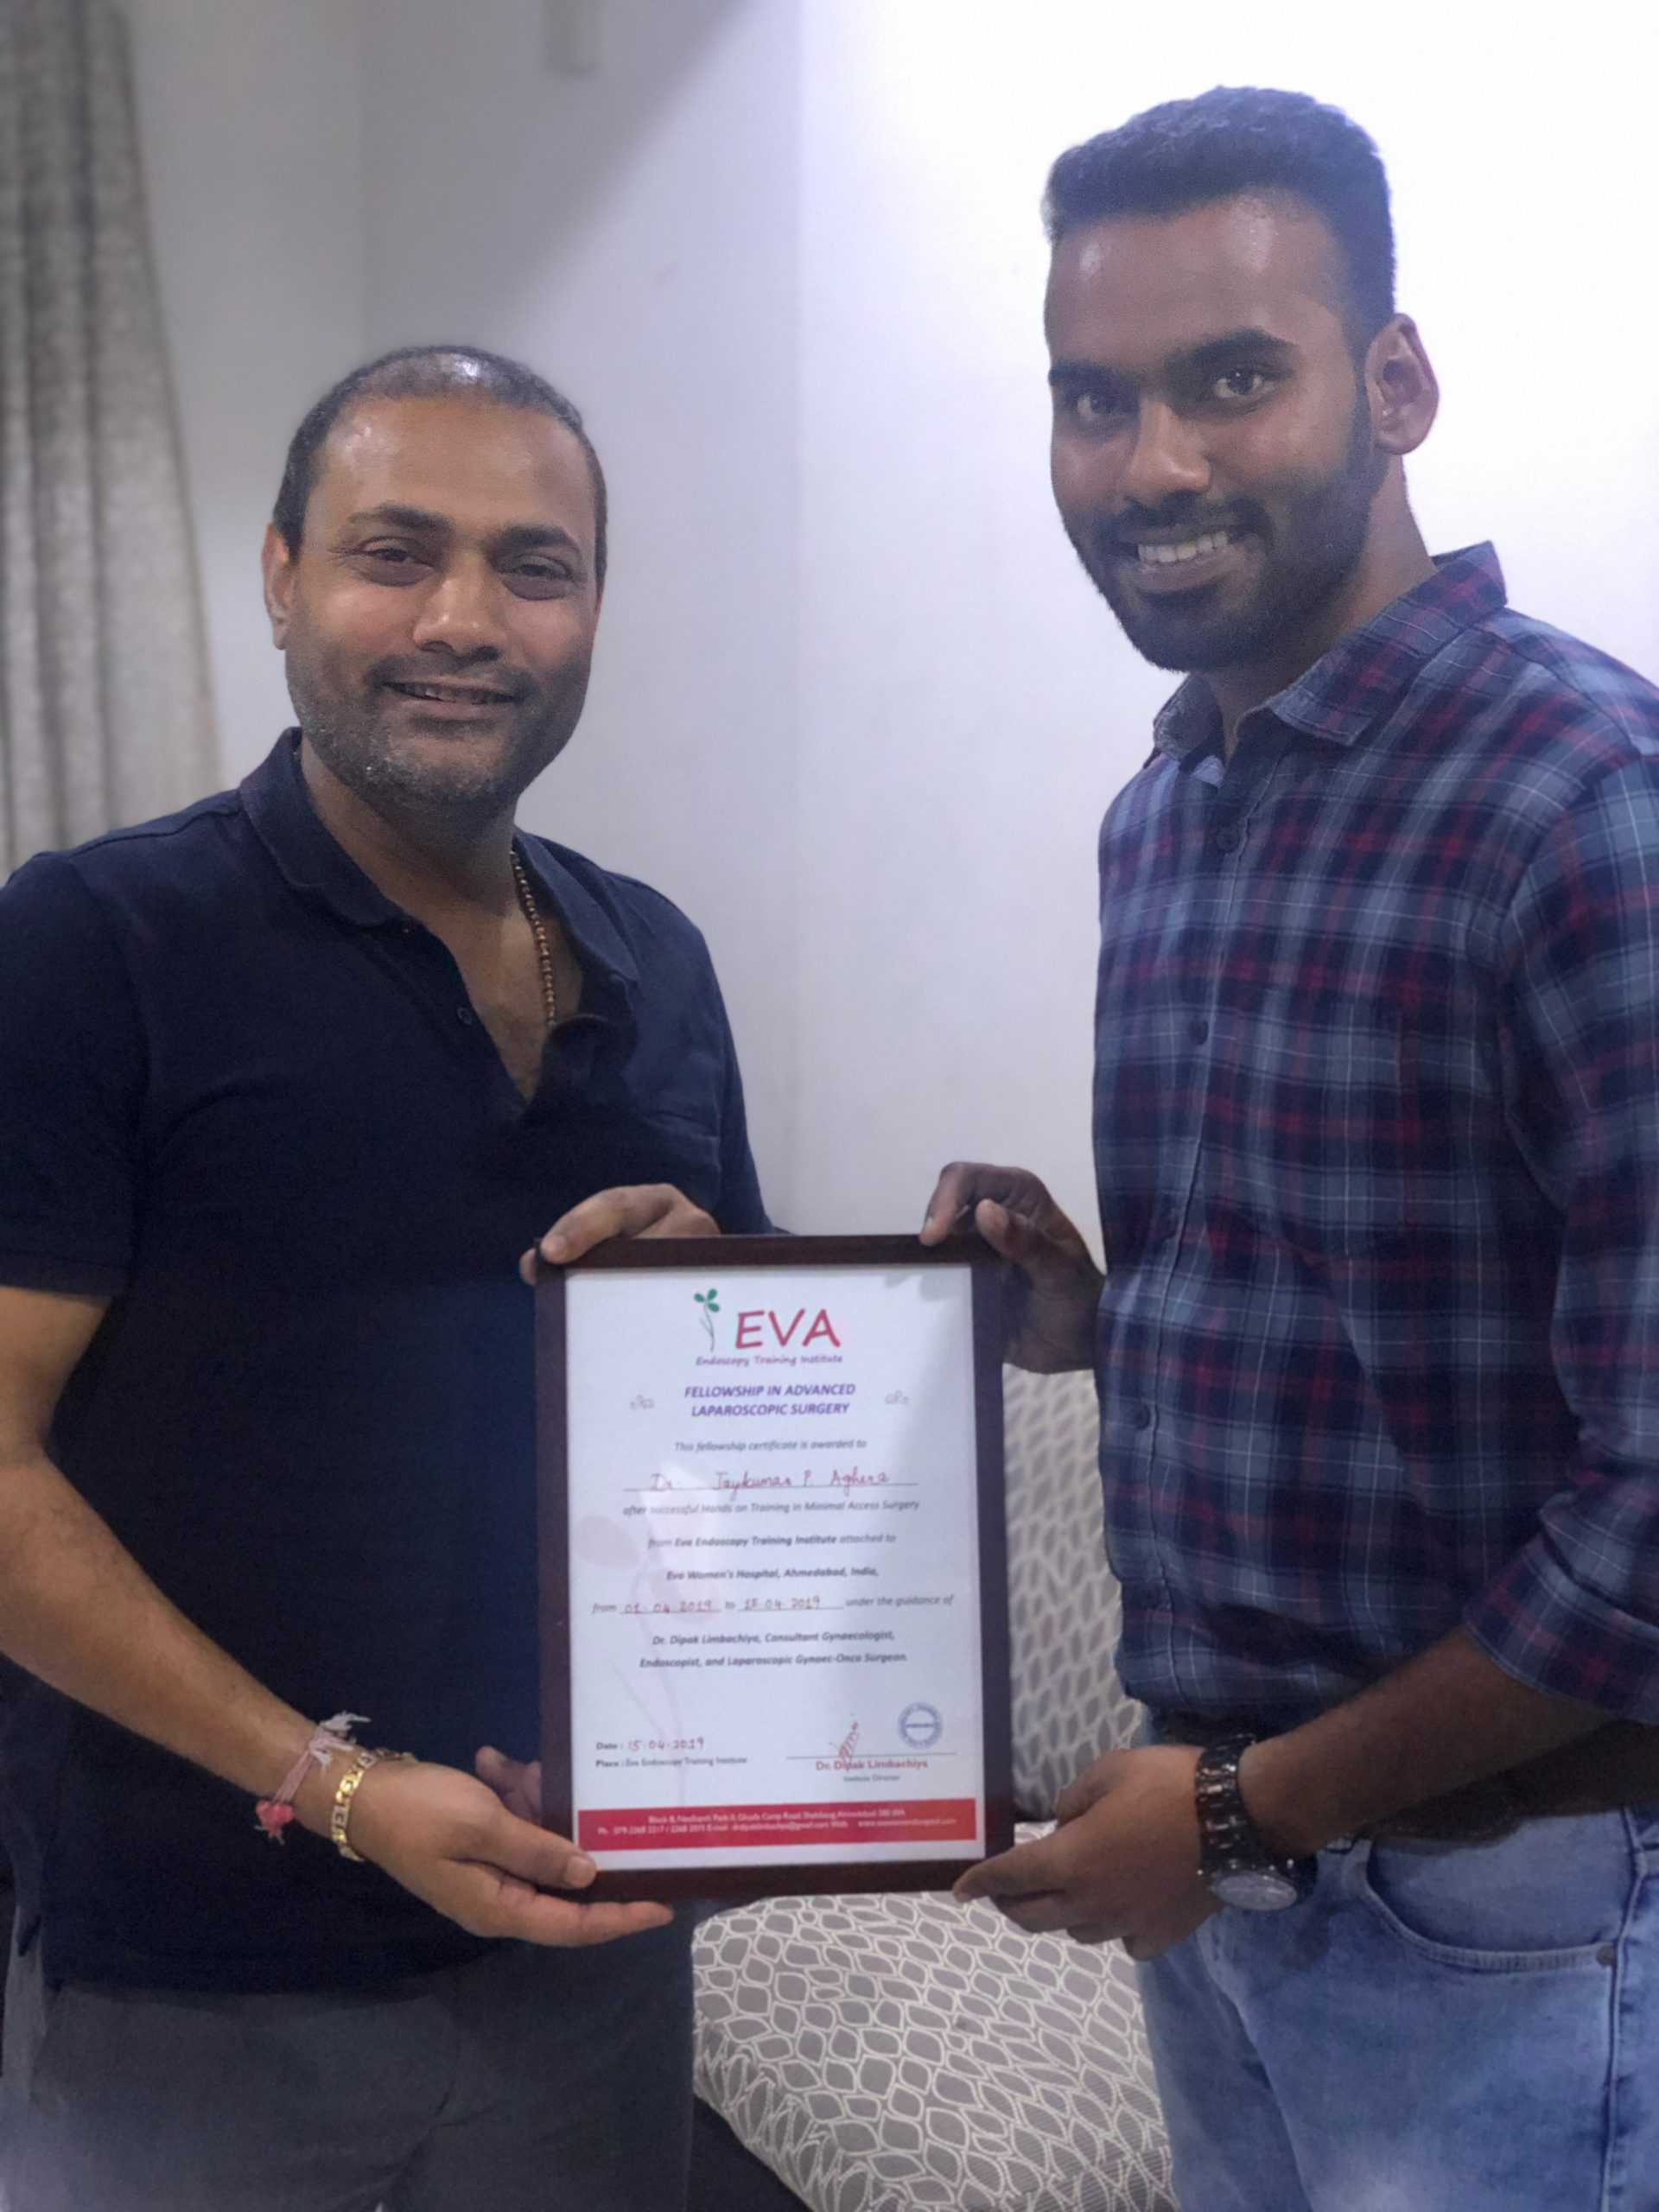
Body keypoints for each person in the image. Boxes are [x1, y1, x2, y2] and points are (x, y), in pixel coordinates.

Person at [923, 88, 1659, 2210]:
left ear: (1398, 384)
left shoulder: (1584, 803)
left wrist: (1249, 1808)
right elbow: (1384, 1309)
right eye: (1094, 398)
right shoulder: (1166, 810)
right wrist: (1096, 1316)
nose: (1151, 463)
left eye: (1231, 377)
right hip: (1231, 1891)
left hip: (1517, 1907)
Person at [0, 344, 768, 2210]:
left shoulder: (658, 958)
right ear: (281, 576)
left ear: (595, 608)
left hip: (587, 1958)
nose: (464, 620)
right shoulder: (95, 943)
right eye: (395, 552)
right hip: (192, 1986)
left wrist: (726, 1328)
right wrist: (337, 1786)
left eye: (534, 566)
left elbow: (736, 1458)